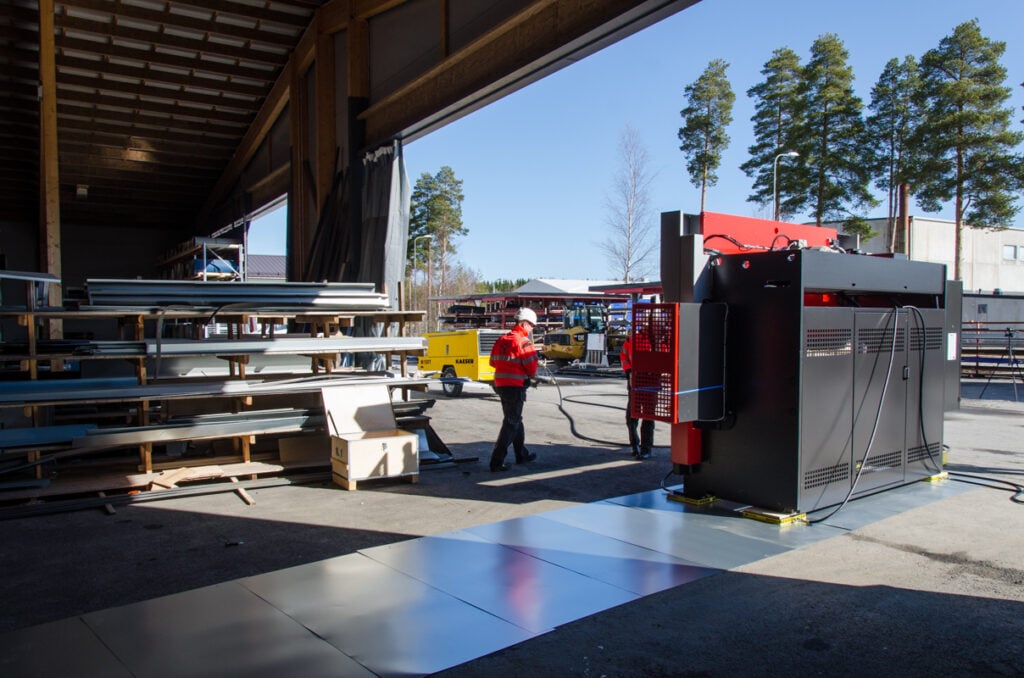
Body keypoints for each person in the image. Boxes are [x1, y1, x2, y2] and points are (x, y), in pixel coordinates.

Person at [488, 307, 540, 472]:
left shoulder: (502, 339)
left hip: (501, 385)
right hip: (515, 387)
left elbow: (492, 362)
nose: (532, 329)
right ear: (524, 324)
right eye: (532, 325)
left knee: (515, 419)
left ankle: (521, 454)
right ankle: (496, 461)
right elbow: (532, 370)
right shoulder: (523, 342)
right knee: (511, 422)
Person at [620, 331, 654, 459]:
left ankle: (646, 448)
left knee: (648, 415)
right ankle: (635, 445)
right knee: (632, 415)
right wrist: (628, 370)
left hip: (650, 381)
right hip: (635, 379)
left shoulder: (657, 339)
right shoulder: (631, 339)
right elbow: (623, 355)